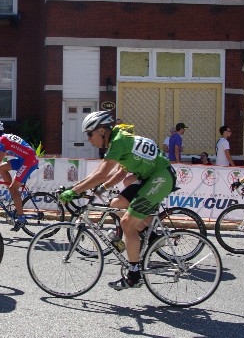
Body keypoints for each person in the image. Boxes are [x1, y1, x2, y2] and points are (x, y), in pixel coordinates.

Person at [59, 111, 176, 290]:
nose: (89, 139)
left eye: (90, 134)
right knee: (116, 204)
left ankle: (134, 275)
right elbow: (120, 172)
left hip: (160, 177)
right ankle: (150, 236)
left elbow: (101, 173)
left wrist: (75, 191)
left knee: (127, 223)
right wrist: (98, 187)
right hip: (147, 177)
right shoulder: (118, 140)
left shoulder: (119, 141)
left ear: (101, 131)